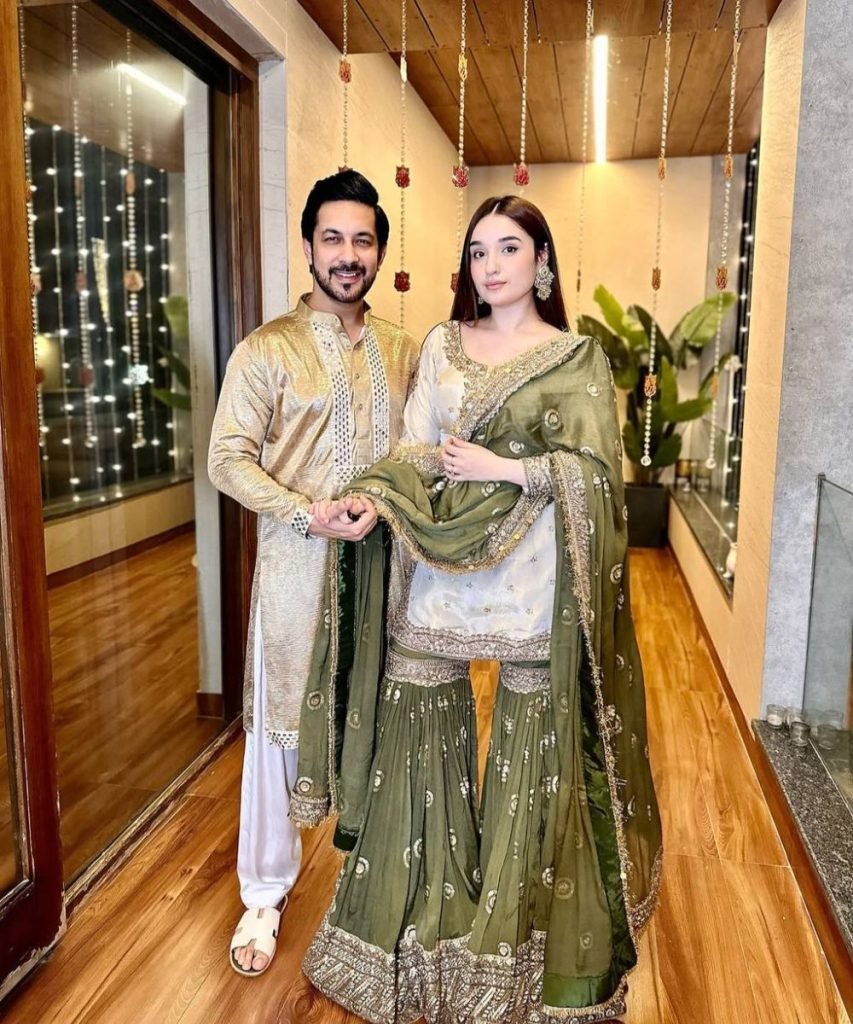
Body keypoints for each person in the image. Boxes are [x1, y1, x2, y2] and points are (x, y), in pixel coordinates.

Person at [292, 195, 662, 1023]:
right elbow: (417, 449)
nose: (490, 266)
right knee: (415, 720)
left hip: (533, 578)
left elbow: (598, 477)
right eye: (478, 251)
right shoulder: (442, 344)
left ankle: (512, 952)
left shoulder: (575, 356)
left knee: (532, 748)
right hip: (437, 563)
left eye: (508, 248)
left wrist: (509, 470)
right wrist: (375, 498)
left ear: (541, 260)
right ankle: (417, 930)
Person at [207, 169, 420, 977]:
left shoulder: (403, 351)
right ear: (307, 247)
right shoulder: (267, 349)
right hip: (297, 573)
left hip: (385, 572)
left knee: (386, 718)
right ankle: (264, 893)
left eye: (362, 240)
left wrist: (387, 502)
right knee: (280, 734)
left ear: (379, 253)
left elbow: (419, 450)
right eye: (332, 237)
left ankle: (383, 886)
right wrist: (306, 511)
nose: (347, 254)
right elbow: (226, 459)